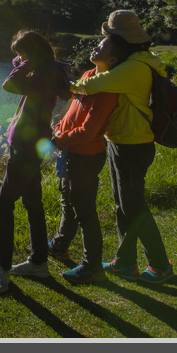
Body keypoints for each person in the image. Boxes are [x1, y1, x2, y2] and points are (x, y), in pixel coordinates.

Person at [69, 10, 174, 285]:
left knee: (133, 207)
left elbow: (94, 85)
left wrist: (68, 85)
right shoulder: (138, 61)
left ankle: (160, 265)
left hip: (132, 144)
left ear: (120, 40)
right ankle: (126, 262)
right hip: (122, 141)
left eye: (109, 37)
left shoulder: (135, 67)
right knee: (123, 205)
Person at [0, 30, 72, 294]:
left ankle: (2, 269)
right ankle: (38, 262)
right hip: (32, 142)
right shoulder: (50, 71)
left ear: (32, 56)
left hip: (26, 146)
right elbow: (18, 69)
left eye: (23, 55)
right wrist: (25, 61)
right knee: (33, 203)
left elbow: (9, 85)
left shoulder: (43, 76)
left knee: (3, 206)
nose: (19, 60)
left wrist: (26, 64)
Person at [46, 40, 125, 285]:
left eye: (101, 48)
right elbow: (73, 107)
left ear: (113, 60)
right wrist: (59, 128)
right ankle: (60, 245)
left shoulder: (107, 89)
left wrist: (58, 140)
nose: (95, 48)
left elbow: (89, 131)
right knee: (67, 201)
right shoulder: (89, 75)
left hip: (85, 156)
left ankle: (92, 267)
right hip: (71, 152)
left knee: (85, 211)